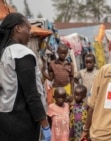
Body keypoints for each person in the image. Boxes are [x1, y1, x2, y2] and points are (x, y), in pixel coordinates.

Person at [0, 13, 51, 141]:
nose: (30, 33)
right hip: (21, 121)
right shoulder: (21, 53)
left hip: (4, 119)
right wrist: (44, 124)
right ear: (18, 28)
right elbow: (31, 94)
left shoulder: (3, 52)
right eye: (28, 29)